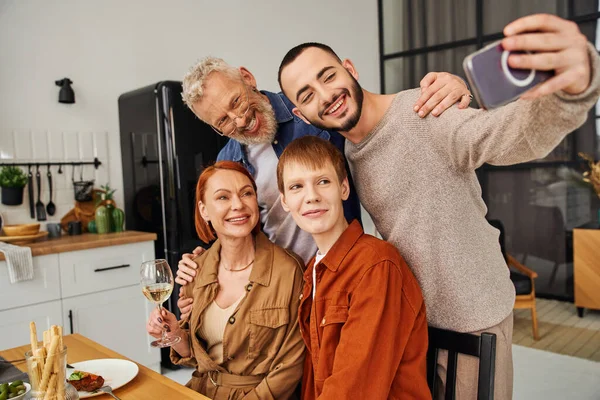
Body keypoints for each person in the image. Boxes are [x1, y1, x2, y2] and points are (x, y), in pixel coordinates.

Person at [277, 14, 600, 400]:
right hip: (411, 322)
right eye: (307, 94)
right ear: (300, 114)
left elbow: (501, 136)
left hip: (472, 315)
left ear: (349, 68)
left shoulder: (422, 109)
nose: (325, 95)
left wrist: (572, 91)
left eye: (328, 76)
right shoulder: (347, 154)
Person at [175, 58, 471, 317]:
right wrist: (205, 262)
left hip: (346, 276)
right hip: (283, 293)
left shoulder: (311, 108)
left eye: (236, 102)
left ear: (247, 78)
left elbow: (377, 115)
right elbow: (238, 230)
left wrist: (447, 86)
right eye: (223, 121)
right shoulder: (228, 159)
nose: (239, 120)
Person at [276, 135, 429, 399]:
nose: (311, 197)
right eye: (297, 187)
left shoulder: (376, 265)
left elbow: (354, 389)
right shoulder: (314, 269)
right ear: (285, 202)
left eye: (323, 182)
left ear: (343, 188)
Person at [146, 160, 305, 400]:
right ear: (204, 210)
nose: (238, 205)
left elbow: (291, 366)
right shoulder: (194, 269)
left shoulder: (288, 270)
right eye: (223, 197)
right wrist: (174, 331)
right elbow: (195, 354)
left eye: (246, 193)